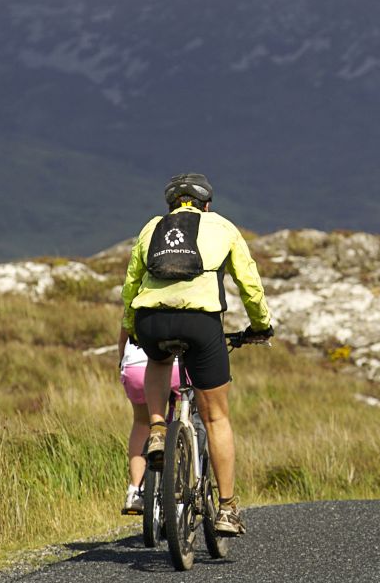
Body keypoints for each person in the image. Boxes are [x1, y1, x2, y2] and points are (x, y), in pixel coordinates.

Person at [120, 172, 274, 534]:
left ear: (171, 206)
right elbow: (248, 283)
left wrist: (132, 326)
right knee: (217, 418)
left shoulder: (152, 228)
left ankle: (158, 429)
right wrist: (261, 325)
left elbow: (131, 282)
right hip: (201, 324)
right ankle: (227, 508)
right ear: (207, 204)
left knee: (158, 359)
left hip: (151, 319)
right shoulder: (222, 227)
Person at [116, 331, 181, 515]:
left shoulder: (139, 300)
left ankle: (135, 490)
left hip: (135, 367)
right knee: (182, 418)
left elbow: (123, 340)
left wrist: (122, 362)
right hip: (175, 366)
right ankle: (178, 484)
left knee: (142, 422)